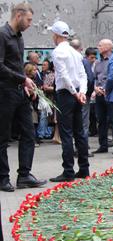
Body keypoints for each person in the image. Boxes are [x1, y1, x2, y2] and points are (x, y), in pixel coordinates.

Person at [0, 3, 47, 192]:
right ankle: (3, 178)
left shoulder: (18, 38)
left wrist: (25, 84)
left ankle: (24, 175)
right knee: (3, 137)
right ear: (18, 15)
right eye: (28, 19)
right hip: (4, 92)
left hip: (20, 92)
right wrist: (23, 79)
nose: (30, 23)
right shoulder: (2, 35)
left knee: (29, 133)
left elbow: (17, 66)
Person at [47, 21, 90, 182]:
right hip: (77, 94)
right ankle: (84, 168)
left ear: (57, 35)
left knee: (66, 133)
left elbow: (63, 75)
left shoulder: (58, 52)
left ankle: (68, 171)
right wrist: (82, 93)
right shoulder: (75, 53)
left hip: (66, 95)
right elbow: (83, 75)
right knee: (80, 132)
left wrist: (74, 93)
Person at [92, 39, 113, 153]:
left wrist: (105, 89)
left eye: (100, 45)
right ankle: (103, 145)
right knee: (101, 120)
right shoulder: (98, 63)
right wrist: (95, 88)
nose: (98, 47)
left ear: (108, 47)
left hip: (110, 94)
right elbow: (95, 78)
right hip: (99, 95)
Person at [38, 59, 55, 139]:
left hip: (55, 97)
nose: (42, 66)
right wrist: (53, 88)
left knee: (52, 117)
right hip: (48, 97)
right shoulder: (50, 75)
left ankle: (49, 133)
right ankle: (41, 133)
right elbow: (45, 87)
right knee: (44, 115)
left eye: (45, 65)